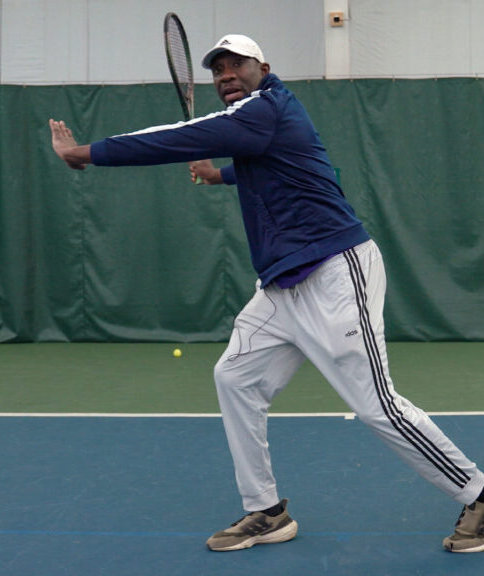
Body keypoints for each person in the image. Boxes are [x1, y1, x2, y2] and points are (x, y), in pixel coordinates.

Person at [49, 33, 484, 553]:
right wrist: (221, 177)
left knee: (376, 406)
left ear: (264, 68)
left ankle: (478, 494)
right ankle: (266, 511)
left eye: (237, 64)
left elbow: (177, 137)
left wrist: (87, 153)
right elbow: (283, 168)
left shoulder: (266, 107)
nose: (226, 74)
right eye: (218, 69)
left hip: (334, 273)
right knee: (235, 378)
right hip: (281, 285)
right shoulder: (260, 126)